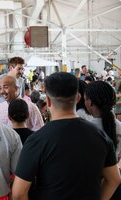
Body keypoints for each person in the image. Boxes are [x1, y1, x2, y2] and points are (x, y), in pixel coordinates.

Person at [12, 72, 121, 200]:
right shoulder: (100, 136)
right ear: (79, 98)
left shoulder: (36, 140)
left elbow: (19, 193)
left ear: (48, 101)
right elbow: (114, 179)